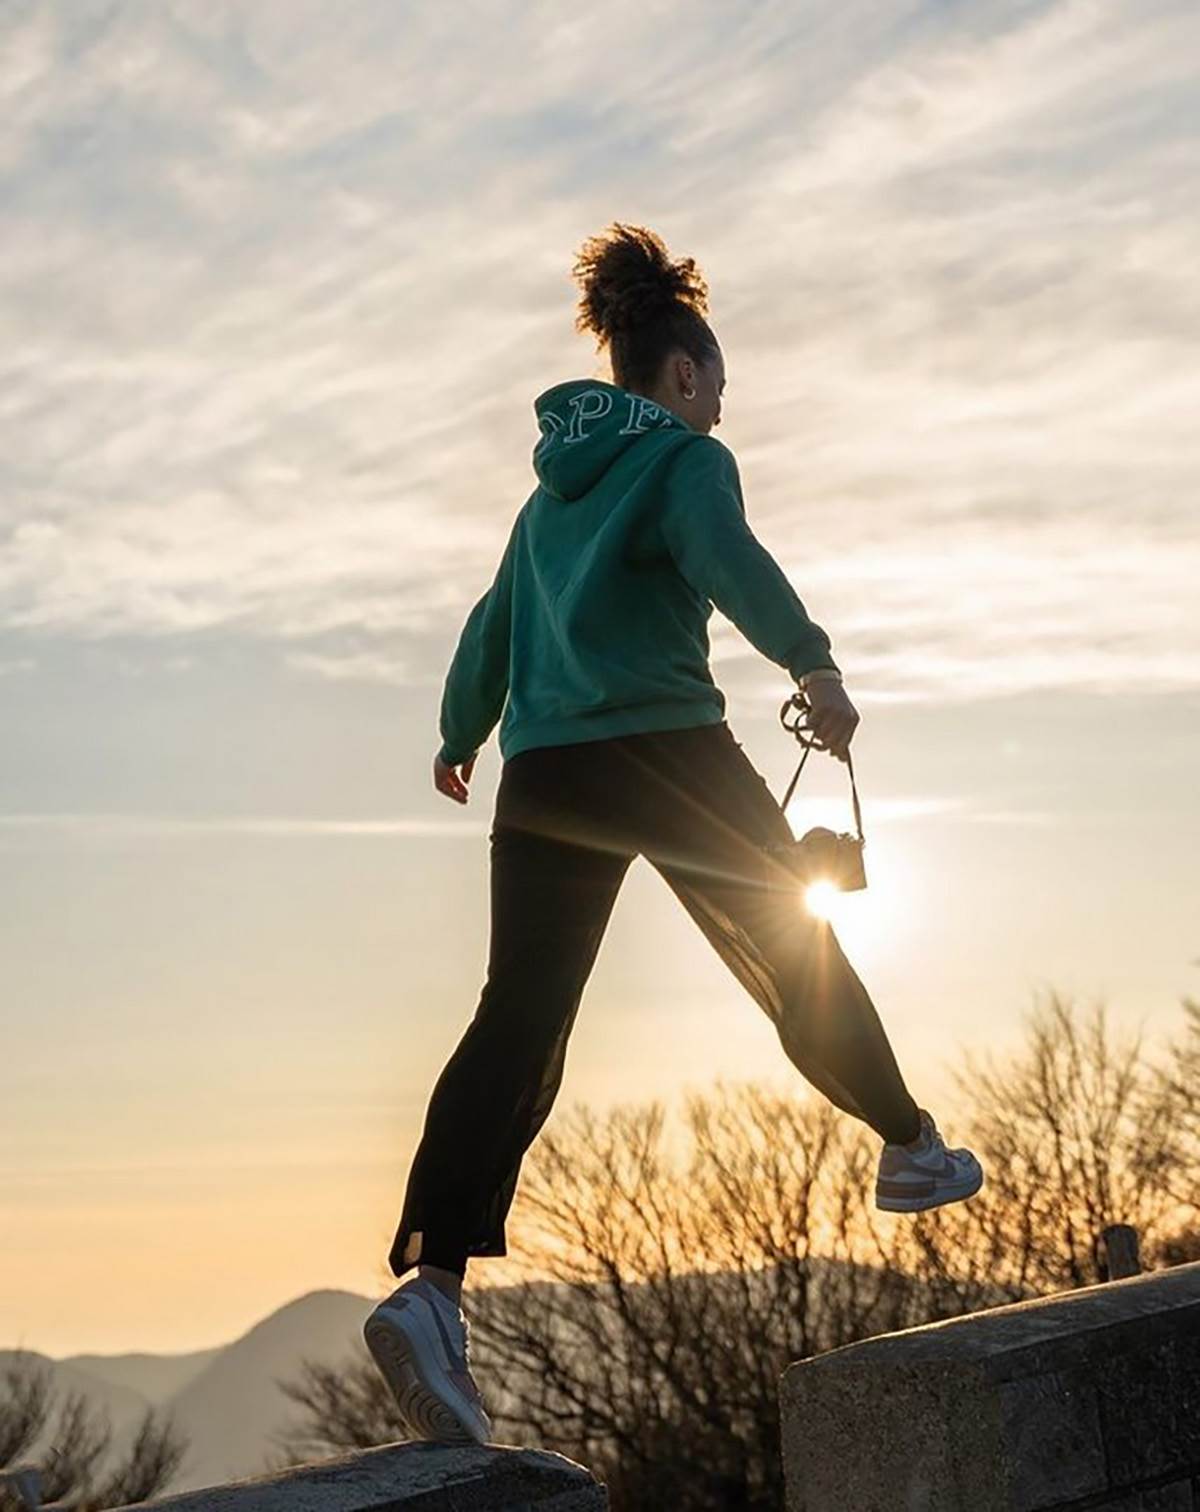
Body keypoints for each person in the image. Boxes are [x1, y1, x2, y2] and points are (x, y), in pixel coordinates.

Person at [362, 222, 983, 1445]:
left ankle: (432, 1284)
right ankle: (909, 1145)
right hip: (665, 749)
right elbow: (728, 558)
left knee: (519, 1018)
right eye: (716, 390)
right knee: (784, 950)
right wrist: (815, 661)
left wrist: (458, 730)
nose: (716, 411)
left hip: (542, 774)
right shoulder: (688, 462)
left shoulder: (546, 501)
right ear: (686, 374)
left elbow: (495, 623)